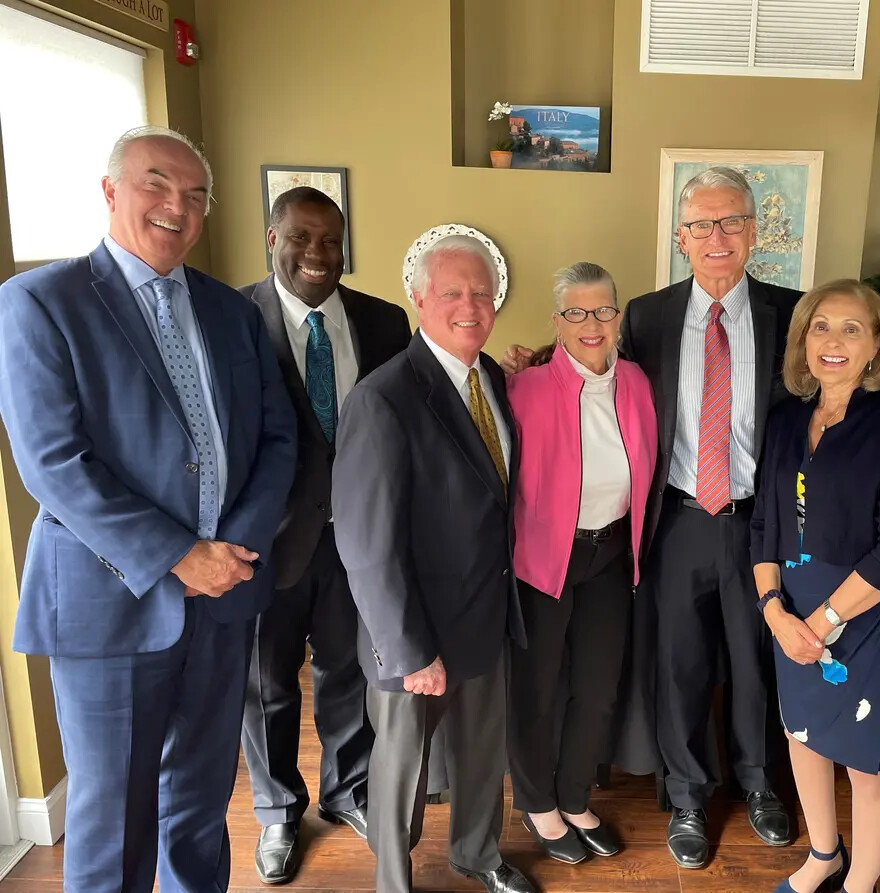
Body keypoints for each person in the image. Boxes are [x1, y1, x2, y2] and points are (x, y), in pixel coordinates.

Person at [0, 126, 297, 892]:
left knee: (200, 802)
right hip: (110, 603)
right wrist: (178, 555)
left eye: (195, 196)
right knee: (114, 814)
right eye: (157, 184)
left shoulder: (232, 311)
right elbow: (54, 464)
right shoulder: (40, 302)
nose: (178, 206)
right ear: (110, 191)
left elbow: (276, 438)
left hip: (224, 599)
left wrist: (231, 550)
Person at [504, 166, 799, 869]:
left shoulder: (792, 312)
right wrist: (539, 361)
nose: (717, 236)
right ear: (680, 237)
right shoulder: (647, 314)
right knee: (681, 662)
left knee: (759, 658)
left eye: (731, 222)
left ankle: (760, 783)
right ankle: (690, 794)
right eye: (701, 224)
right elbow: (600, 375)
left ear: (754, 232)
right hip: (676, 517)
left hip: (762, 521)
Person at [332, 235, 535, 893]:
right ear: (419, 298)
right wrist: (407, 648)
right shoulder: (383, 397)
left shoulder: (494, 380)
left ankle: (477, 852)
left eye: (482, 292)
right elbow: (366, 543)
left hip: (485, 615)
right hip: (415, 631)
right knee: (400, 769)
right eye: (453, 292)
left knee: (482, 756)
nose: (471, 305)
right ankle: (395, 880)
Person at [239, 186, 413, 883]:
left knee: (346, 672)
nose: (317, 253)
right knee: (269, 684)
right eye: (301, 237)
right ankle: (279, 808)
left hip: (358, 542)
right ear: (272, 238)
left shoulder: (383, 321)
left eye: (331, 240)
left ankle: (349, 789)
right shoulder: (234, 318)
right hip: (270, 540)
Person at [751, 280, 880, 893]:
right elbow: (763, 524)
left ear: (877, 343)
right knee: (803, 737)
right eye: (820, 327)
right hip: (793, 609)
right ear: (802, 341)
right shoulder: (785, 419)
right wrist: (775, 611)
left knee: (869, 764)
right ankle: (823, 856)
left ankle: (860, 886)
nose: (833, 341)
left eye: (852, 328)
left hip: (867, 614)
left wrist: (825, 621)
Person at [505, 262, 658, 864]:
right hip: (545, 558)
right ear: (557, 320)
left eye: (602, 311)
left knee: (597, 689)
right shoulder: (525, 388)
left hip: (612, 553)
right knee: (538, 688)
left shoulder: (639, 382)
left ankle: (573, 796)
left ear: (618, 316)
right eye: (575, 312)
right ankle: (537, 802)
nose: (590, 324)